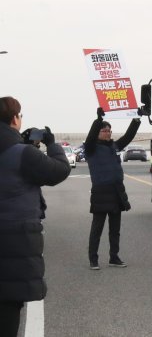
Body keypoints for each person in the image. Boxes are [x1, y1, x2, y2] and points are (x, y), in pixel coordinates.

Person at [0, 97, 70, 336]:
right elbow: (59, 170)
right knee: (8, 305)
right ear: (14, 119)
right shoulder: (23, 154)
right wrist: (52, 144)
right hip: (13, 240)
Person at [85, 107, 141, 270]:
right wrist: (98, 120)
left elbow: (128, 136)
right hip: (101, 192)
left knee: (115, 229)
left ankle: (114, 257)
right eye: (104, 130)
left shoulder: (114, 146)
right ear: (98, 133)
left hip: (117, 191)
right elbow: (89, 138)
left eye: (109, 130)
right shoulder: (91, 148)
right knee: (97, 228)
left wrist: (136, 119)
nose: (108, 133)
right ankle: (93, 259)